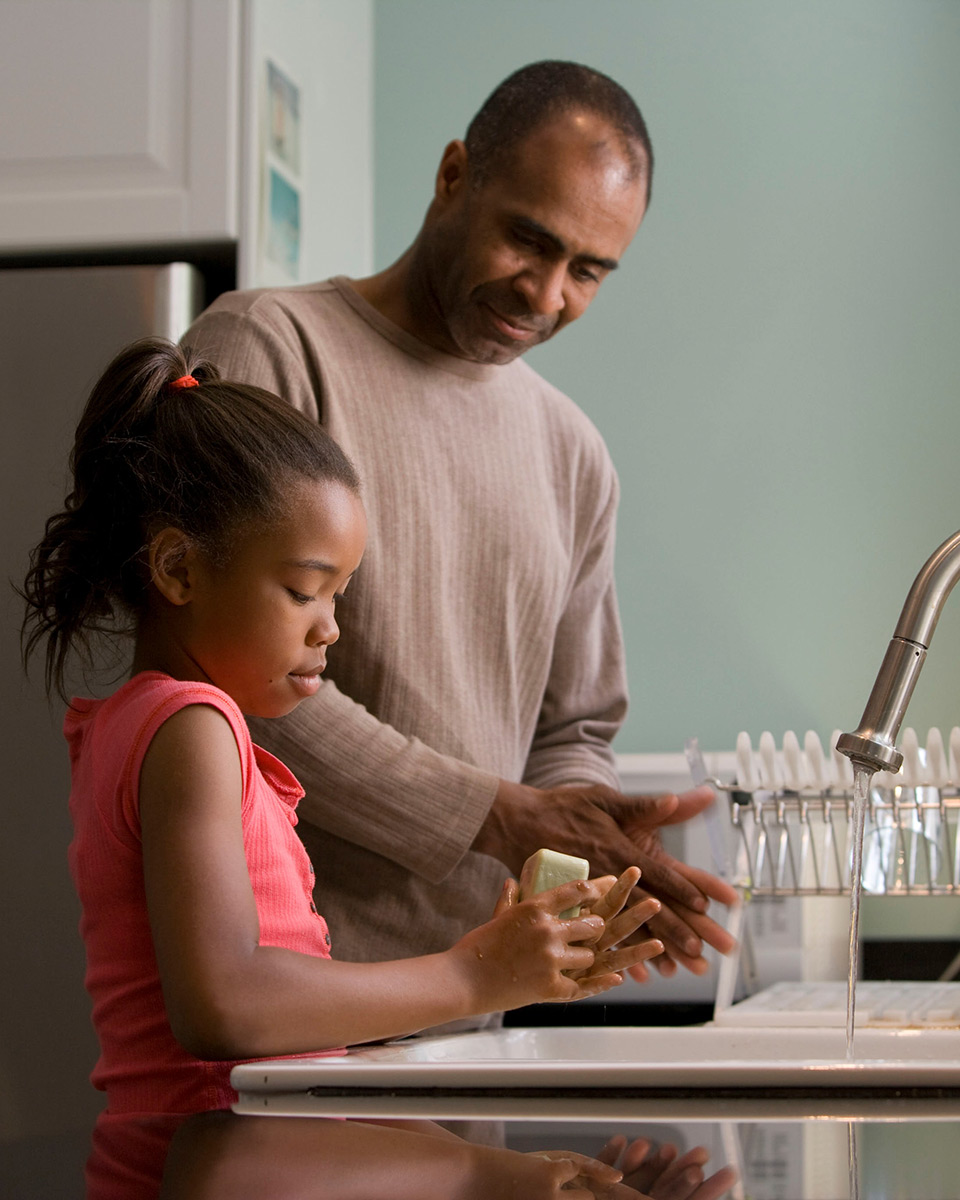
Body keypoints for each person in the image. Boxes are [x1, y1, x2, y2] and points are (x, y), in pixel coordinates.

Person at [183, 60, 737, 992]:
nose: (547, 294)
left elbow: (573, 724)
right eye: (529, 239)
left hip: (468, 1006)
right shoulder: (268, 349)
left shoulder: (573, 453)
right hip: (274, 999)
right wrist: (498, 816)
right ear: (453, 177)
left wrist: (587, 829)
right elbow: (223, 673)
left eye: (589, 270)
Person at [19, 337, 663, 1114]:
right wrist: (472, 975)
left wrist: (496, 966)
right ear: (179, 570)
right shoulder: (193, 727)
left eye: (340, 597)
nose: (330, 629)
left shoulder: (140, 722)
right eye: (303, 591)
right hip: (204, 1164)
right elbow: (227, 1003)